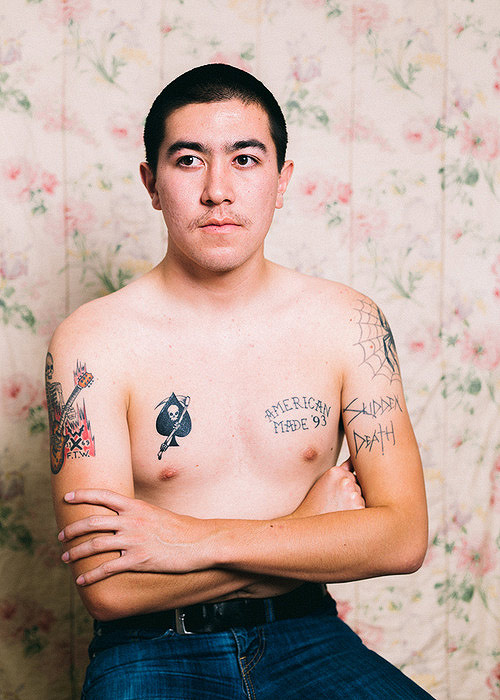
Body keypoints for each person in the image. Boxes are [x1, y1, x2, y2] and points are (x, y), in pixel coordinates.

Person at [46, 63, 433, 699]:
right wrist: (307, 529)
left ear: (282, 180)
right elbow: (111, 587)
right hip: (149, 647)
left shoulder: (350, 323)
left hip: (306, 635)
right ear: (151, 183)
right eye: (188, 160)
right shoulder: (92, 343)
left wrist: (191, 541)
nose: (218, 190)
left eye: (245, 159)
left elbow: (402, 538)